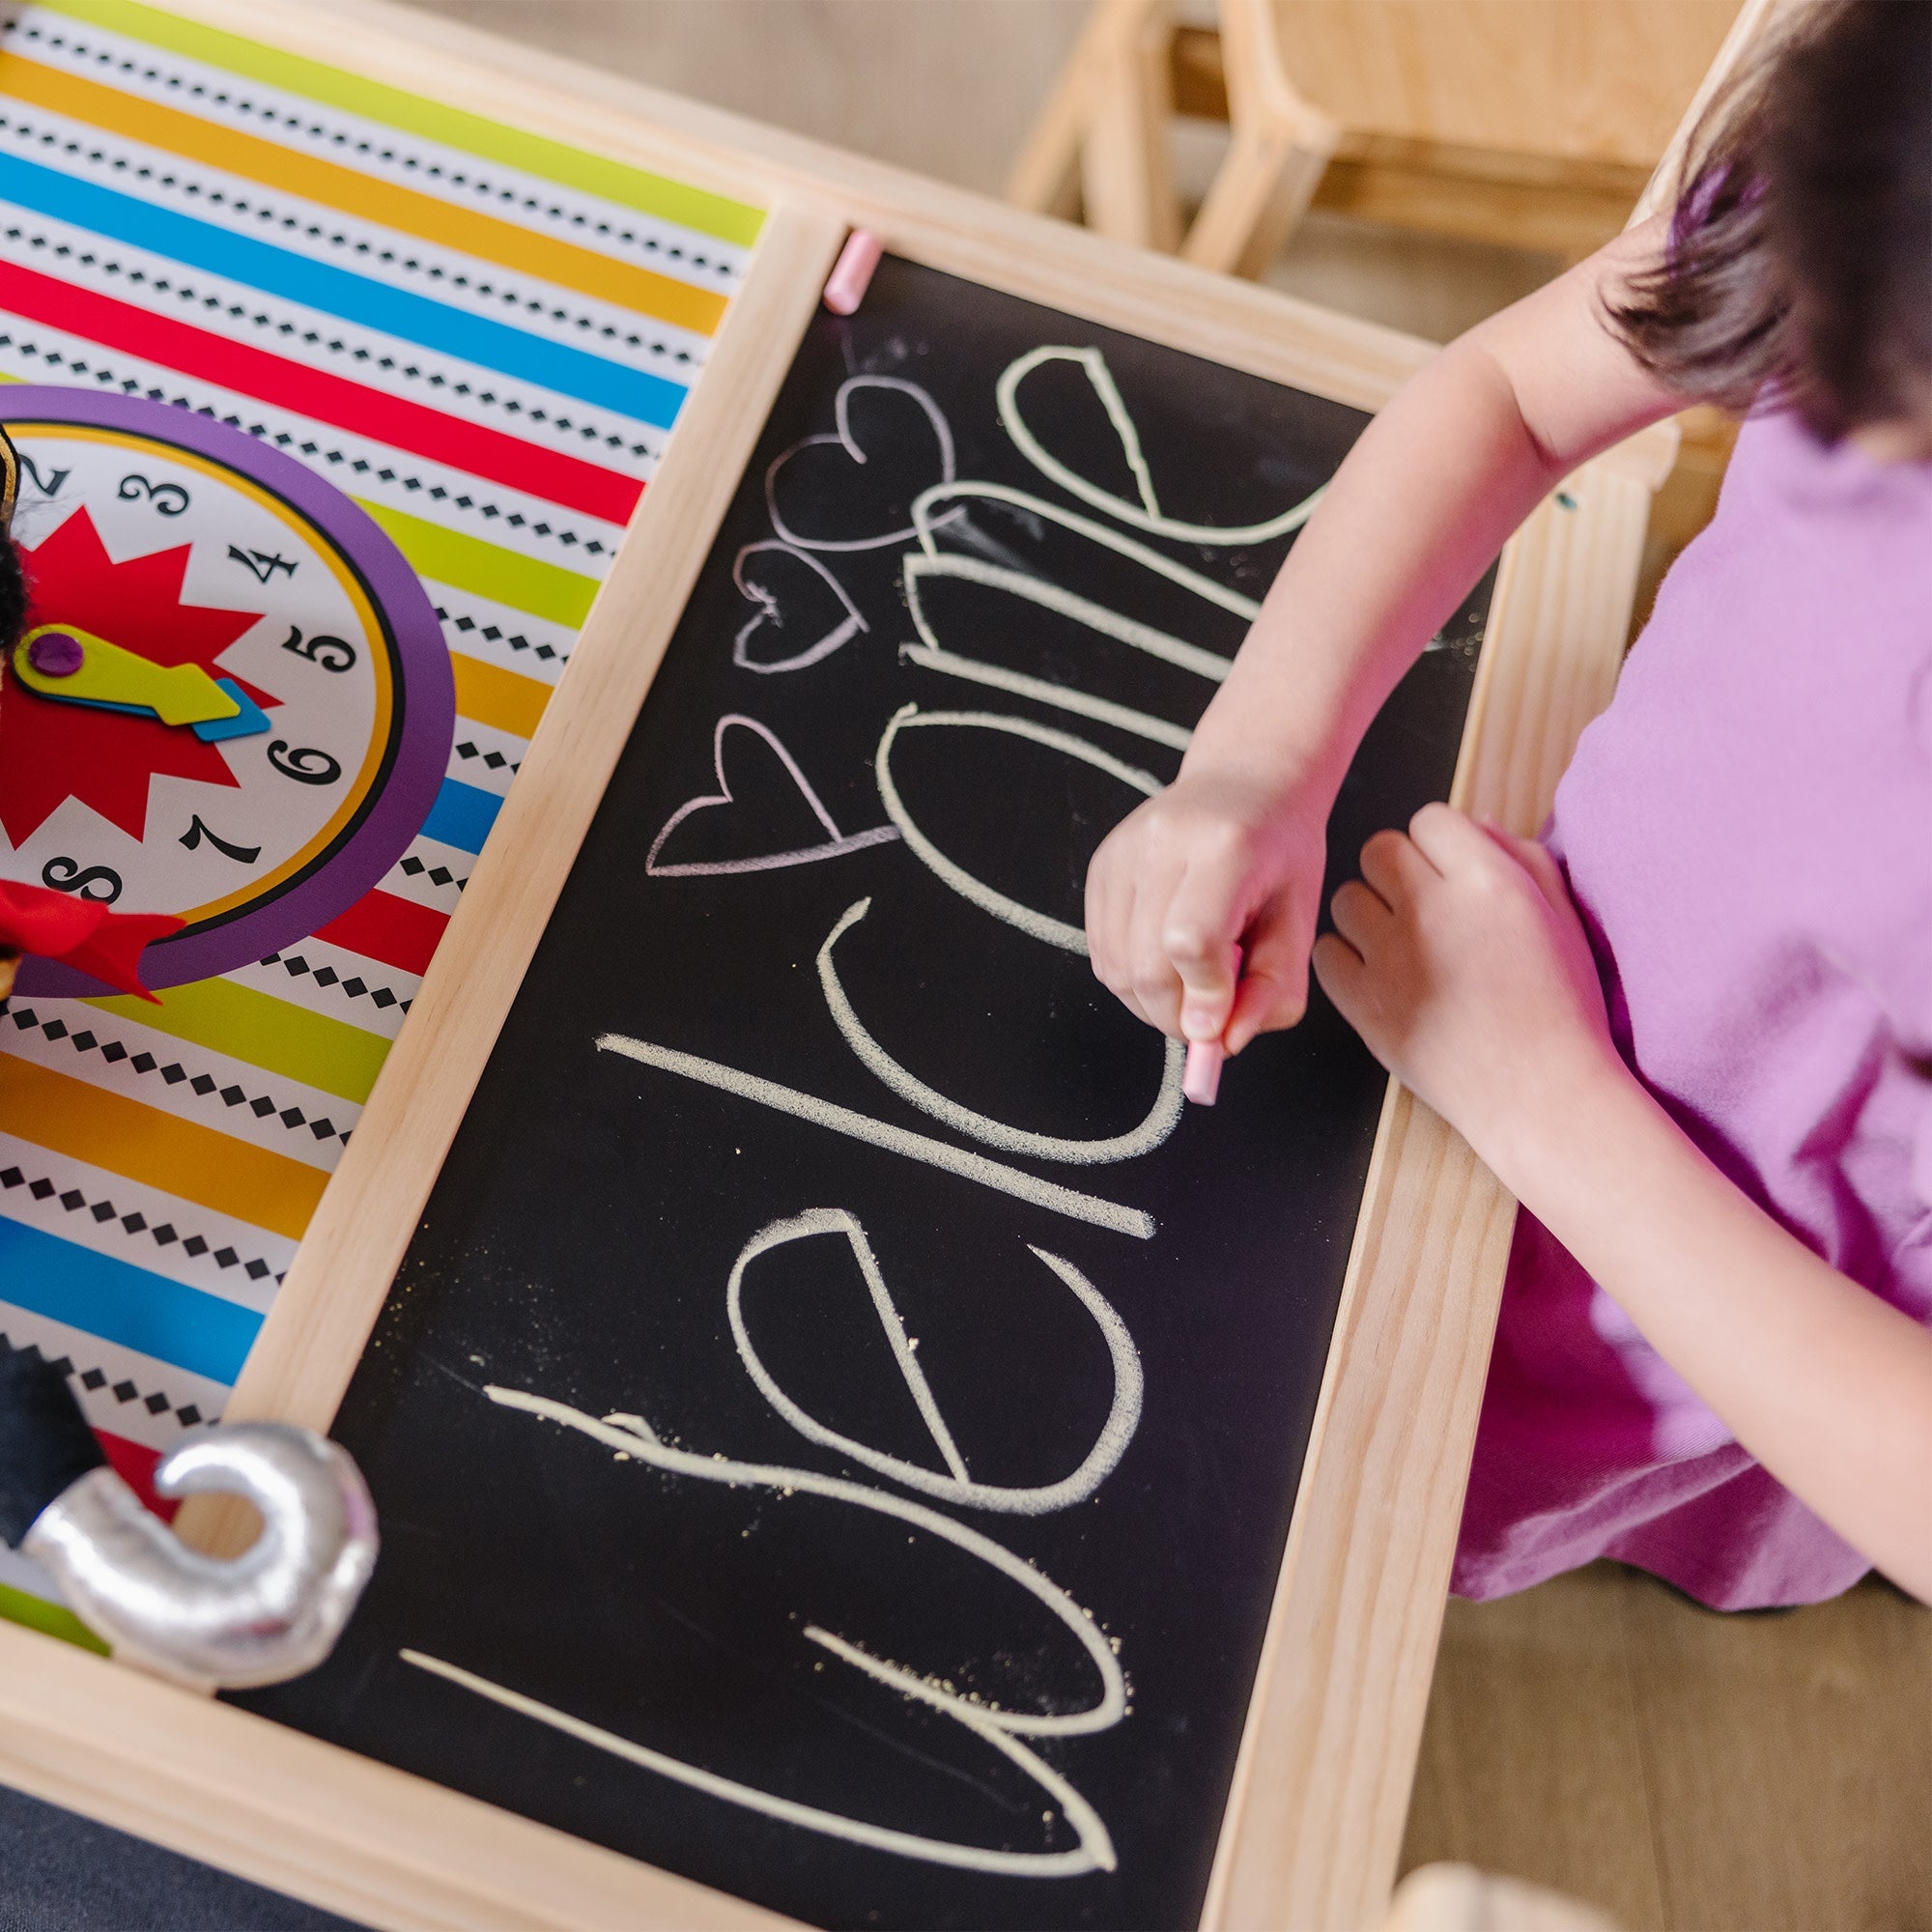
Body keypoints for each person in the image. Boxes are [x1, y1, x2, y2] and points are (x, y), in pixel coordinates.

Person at [1084, 0, 1931, 1609]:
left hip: (1724, 1329)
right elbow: (1527, 393)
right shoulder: (1883, 141)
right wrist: (1264, 761)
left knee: (1353, 1531)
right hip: (1483, 1007)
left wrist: (1539, 1093)